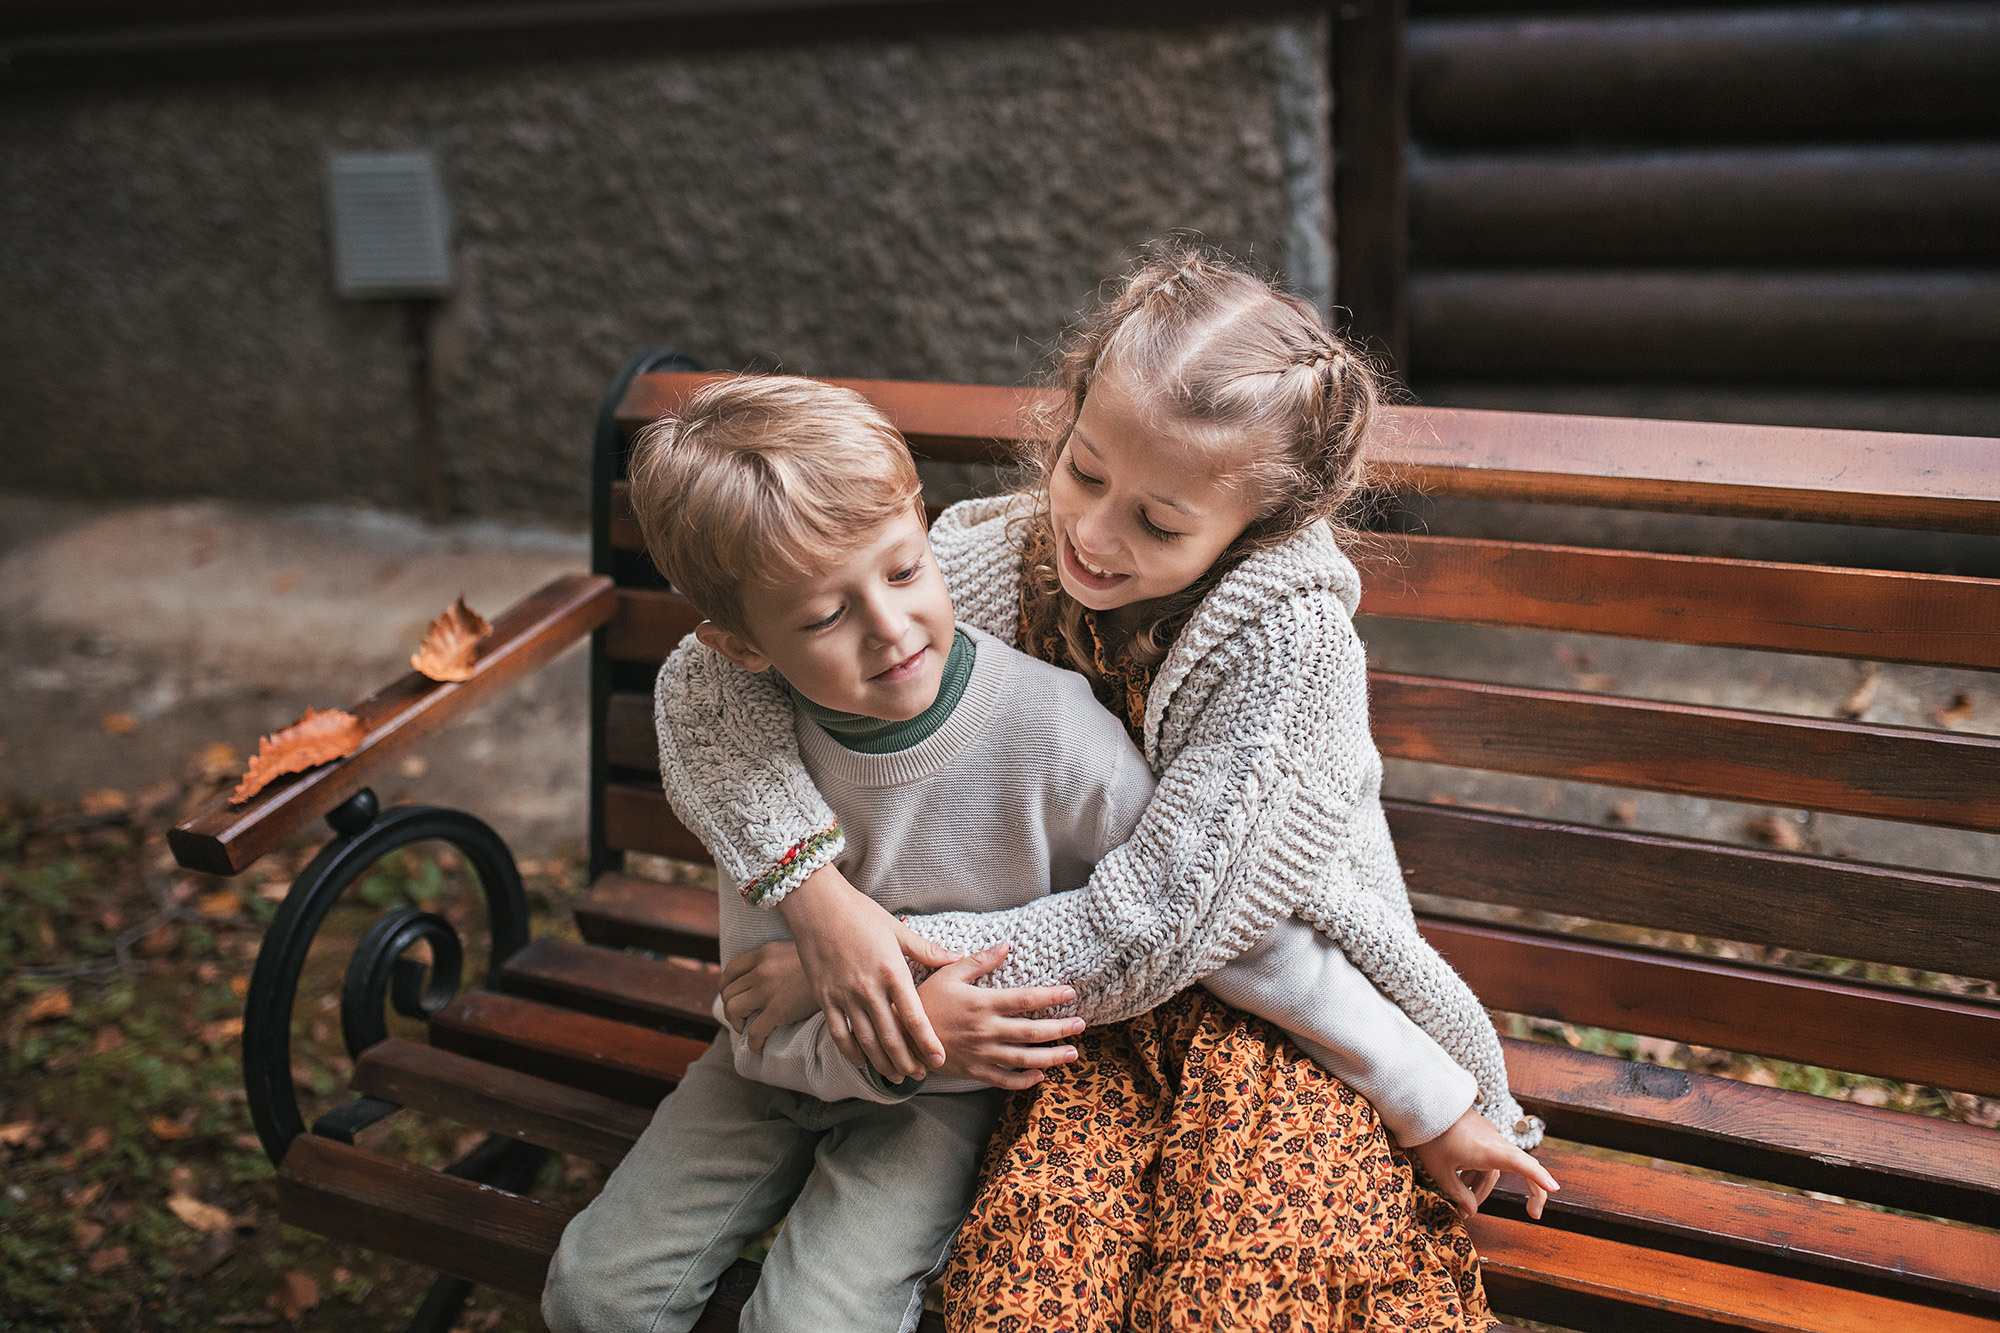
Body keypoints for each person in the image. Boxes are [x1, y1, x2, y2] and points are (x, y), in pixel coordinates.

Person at [655, 243, 1557, 1331]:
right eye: (1083, 471)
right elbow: (708, 684)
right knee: (1018, 1298)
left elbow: (1163, 923)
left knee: (1238, 1288)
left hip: (1276, 1005)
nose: (1090, 531)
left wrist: (867, 966)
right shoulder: (979, 559)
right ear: (1069, 413)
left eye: (1159, 524)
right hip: (1065, 1034)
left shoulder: (1286, 646)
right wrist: (817, 907)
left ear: (1256, 524)